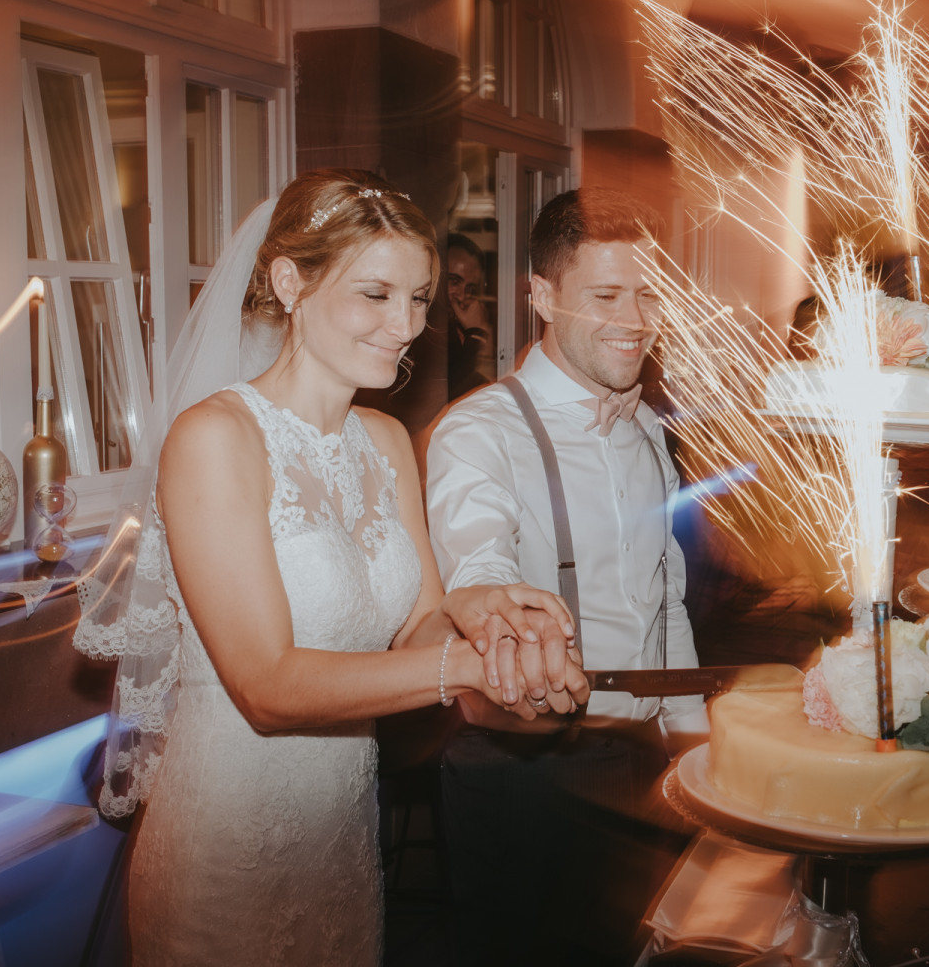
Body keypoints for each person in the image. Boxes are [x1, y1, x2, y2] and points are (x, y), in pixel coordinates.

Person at [73, 169, 588, 966]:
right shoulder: (215, 439)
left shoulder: (385, 442)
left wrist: (485, 623)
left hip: (341, 839)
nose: (406, 324)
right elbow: (267, 686)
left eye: (418, 298)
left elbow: (419, 627)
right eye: (375, 294)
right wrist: (463, 669)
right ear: (290, 283)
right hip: (227, 848)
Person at [426, 187, 706, 965]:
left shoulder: (645, 425)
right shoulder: (480, 432)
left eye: (649, 294)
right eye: (607, 296)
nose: (636, 319)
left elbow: (667, 599)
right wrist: (497, 614)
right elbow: (480, 568)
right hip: (530, 773)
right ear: (543, 296)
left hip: (644, 763)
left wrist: (693, 746)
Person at [447, 232, 495, 398]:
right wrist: (476, 334)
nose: (462, 296)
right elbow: (452, 392)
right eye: (454, 281)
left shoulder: (457, 327)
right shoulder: (419, 328)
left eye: (470, 288)